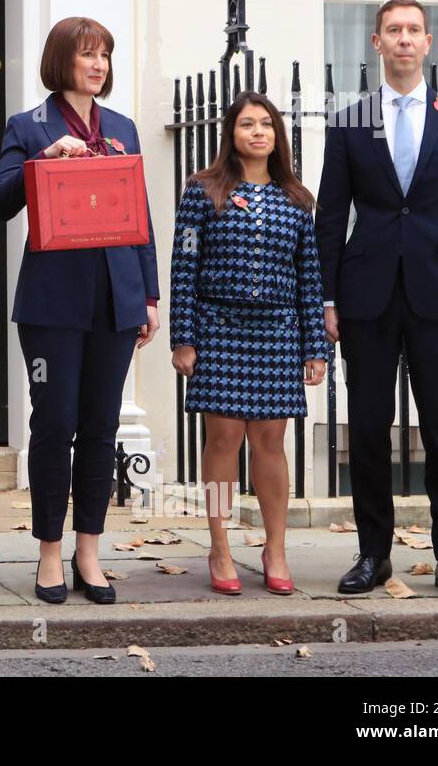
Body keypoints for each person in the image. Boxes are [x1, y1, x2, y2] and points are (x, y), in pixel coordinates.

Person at [317, 0, 438, 602]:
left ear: (429, 43)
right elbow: (329, 218)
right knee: (367, 430)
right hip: (366, 297)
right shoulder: (348, 121)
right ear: (375, 44)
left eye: (413, 31)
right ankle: (373, 555)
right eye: (392, 30)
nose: (403, 40)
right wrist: (325, 298)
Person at [0, 16, 160, 605]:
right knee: (55, 424)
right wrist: (45, 163)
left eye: (105, 55)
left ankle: (90, 550)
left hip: (115, 298)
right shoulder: (29, 126)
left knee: (101, 426)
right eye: (88, 54)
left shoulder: (123, 128)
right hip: (52, 303)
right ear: (62, 60)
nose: (99, 65)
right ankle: (50, 553)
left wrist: (149, 295)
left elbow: (140, 217)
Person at [170, 91, 328, 596]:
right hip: (218, 330)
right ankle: (219, 546)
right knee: (222, 440)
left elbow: (309, 279)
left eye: (266, 124)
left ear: (277, 135)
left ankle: (274, 546)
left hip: (278, 334)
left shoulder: (297, 199)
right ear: (231, 134)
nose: (257, 132)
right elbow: (183, 268)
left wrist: (314, 348)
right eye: (246, 124)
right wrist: (184, 338)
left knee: (270, 441)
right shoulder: (203, 191)